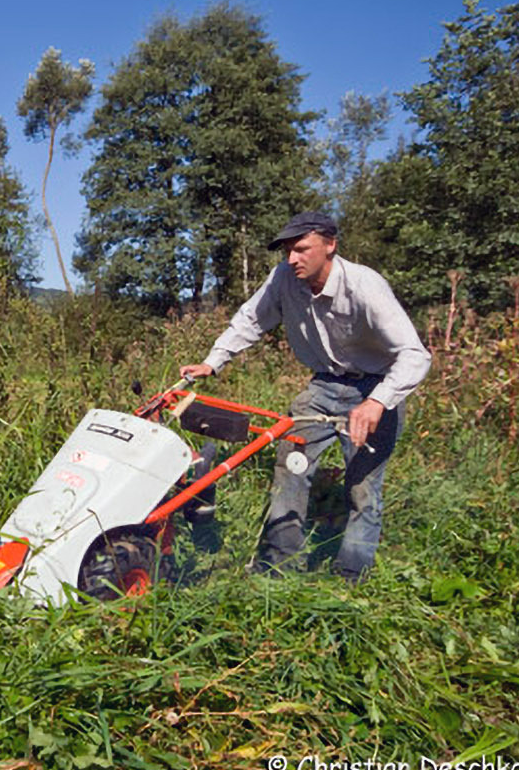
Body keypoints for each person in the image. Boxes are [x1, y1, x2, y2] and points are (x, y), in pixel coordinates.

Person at [178, 211, 431, 582]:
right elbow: (251, 319)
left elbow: (415, 354)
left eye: (301, 249)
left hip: (376, 388)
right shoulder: (284, 278)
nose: (292, 259)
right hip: (322, 387)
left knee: (362, 487)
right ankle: (280, 565)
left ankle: (351, 577)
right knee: (290, 466)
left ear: (330, 245)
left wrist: (377, 402)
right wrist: (212, 362)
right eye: (287, 251)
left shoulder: (364, 285)